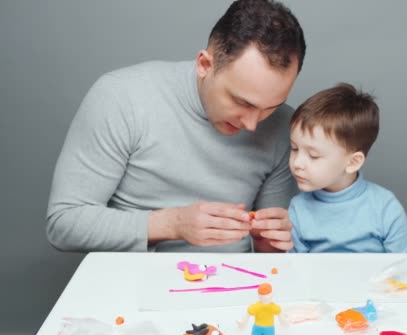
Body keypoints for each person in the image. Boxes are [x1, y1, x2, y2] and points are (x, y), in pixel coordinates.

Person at [46, 0, 306, 253]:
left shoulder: (283, 124)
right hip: (132, 287)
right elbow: (64, 222)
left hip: (237, 288)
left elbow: (272, 256)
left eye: (270, 107)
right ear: (205, 65)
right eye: (242, 102)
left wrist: (270, 240)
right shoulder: (121, 98)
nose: (252, 124)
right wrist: (171, 224)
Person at [288, 83, 407, 253]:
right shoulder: (298, 209)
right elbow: (294, 271)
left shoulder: (385, 207)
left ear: (352, 162)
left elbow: (405, 265)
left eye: (313, 156)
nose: (297, 163)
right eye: (294, 148)